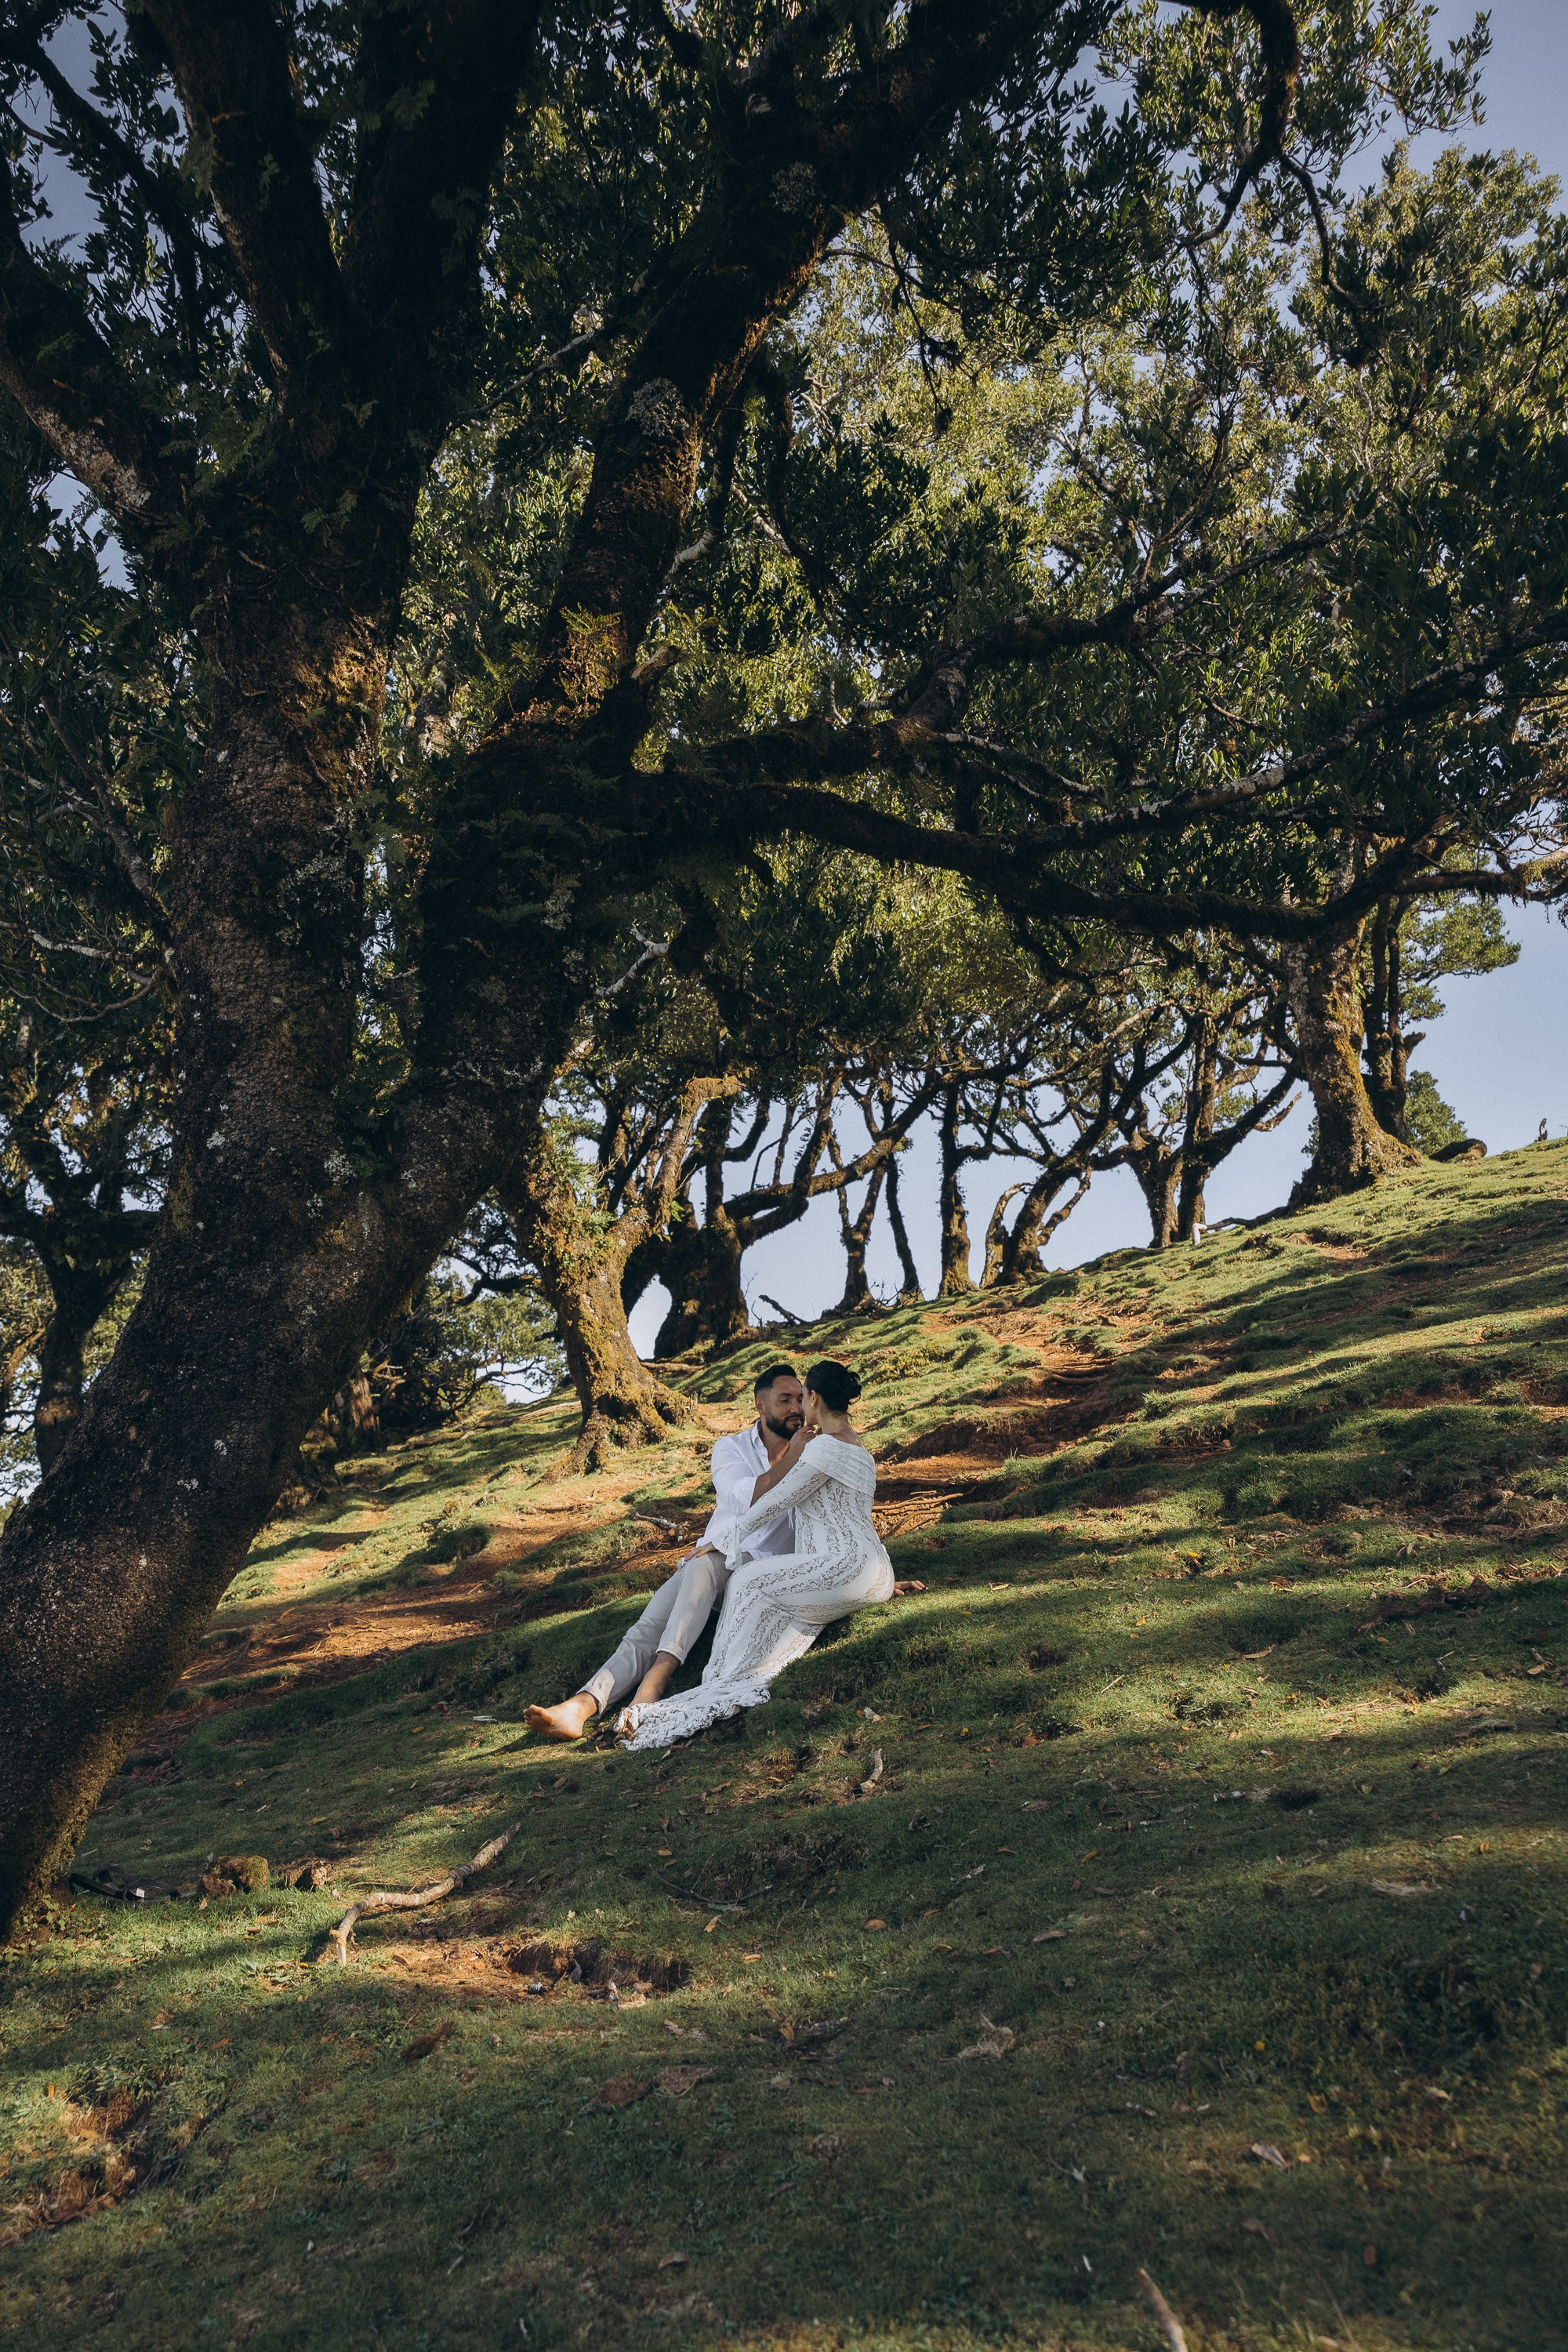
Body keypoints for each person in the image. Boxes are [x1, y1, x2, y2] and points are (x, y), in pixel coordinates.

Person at [616, 1359, 897, 1751]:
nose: (800, 1407)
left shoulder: (823, 1450)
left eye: (803, 1398)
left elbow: (775, 1501)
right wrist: (884, 1577)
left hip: (844, 1569)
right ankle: (729, 1673)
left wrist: (724, 1540)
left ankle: (722, 1682)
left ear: (815, 1399)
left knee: (749, 1580)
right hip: (876, 1569)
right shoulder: (859, 1448)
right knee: (760, 1581)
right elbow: (857, 1520)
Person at [523, 1364, 807, 1741]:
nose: (796, 1408)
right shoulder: (731, 1448)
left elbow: (836, 1519)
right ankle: (580, 1707)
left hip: (764, 1574)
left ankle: (653, 1684)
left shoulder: (812, 1455)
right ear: (760, 1404)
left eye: (801, 1399)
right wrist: (793, 1458)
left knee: (703, 1560)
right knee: (645, 1629)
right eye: (784, 1399)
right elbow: (743, 1498)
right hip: (712, 1567)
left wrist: (868, 1577)